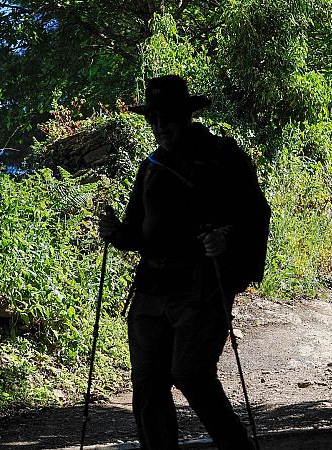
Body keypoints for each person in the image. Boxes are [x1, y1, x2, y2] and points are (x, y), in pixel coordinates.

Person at [99, 75, 270, 449]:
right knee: (148, 382)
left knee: (191, 373)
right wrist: (115, 232)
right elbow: (136, 233)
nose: (161, 126)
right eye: (154, 119)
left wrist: (226, 238)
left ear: (186, 116)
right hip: (151, 289)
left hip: (201, 286)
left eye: (168, 118)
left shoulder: (223, 157)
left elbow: (255, 215)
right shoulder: (152, 167)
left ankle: (236, 446)